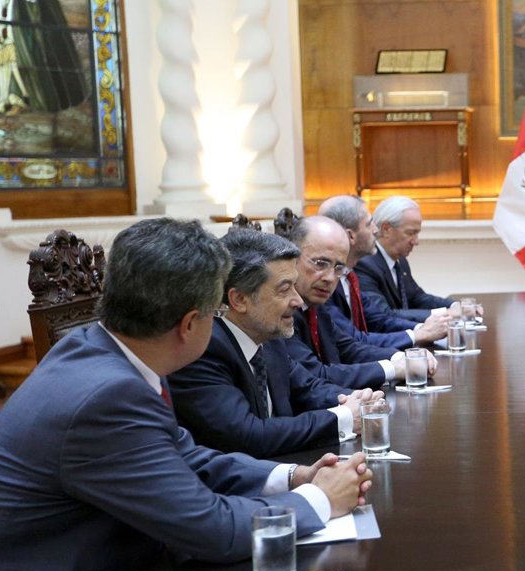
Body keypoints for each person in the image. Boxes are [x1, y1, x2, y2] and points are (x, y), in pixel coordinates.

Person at [0, 218, 371, 571]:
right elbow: (210, 529)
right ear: (190, 324)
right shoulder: (108, 396)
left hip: (119, 567)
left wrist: (293, 476)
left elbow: (185, 454)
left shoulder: (104, 348)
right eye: (216, 312)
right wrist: (319, 500)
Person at [168, 230, 384, 457]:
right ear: (239, 299)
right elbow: (248, 435)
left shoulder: (269, 336)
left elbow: (309, 389)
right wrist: (344, 417)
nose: (297, 300)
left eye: (295, 286)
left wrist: (360, 401)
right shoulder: (205, 348)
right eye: (284, 289)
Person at [287, 215, 435, 389]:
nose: (330, 278)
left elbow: (349, 348)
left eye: (338, 268)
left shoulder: (316, 305)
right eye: (320, 263)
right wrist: (393, 369)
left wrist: (402, 357)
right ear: (292, 258)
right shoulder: (282, 312)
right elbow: (315, 375)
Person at [318, 194, 448, 347]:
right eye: (369, 224)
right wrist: (418, 335)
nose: (375, 230)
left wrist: (423, 329)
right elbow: (352, 341)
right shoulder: (326, 282)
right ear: (350, 236)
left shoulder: (348, 274)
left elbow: (378, 318)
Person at [355, 196, 463, 324]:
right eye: (411, 233)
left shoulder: (400, 260)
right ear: (386, 229)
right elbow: (383, 315)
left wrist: (455, 306)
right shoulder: (365, 264)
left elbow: (417, 298)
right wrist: (445, 314)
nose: (416, 241)